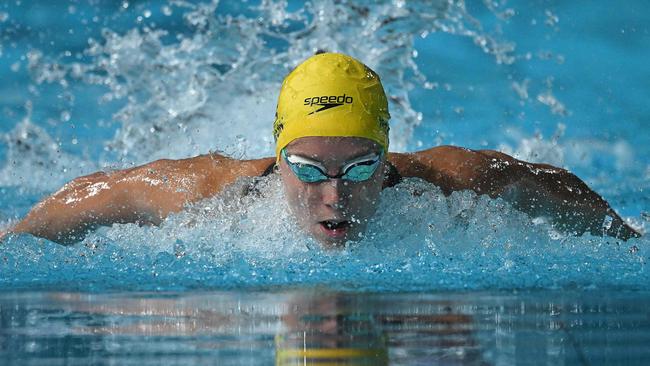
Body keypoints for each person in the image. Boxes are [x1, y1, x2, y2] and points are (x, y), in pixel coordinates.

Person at [0, 53, 641, 246]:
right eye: (307, 169)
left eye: (361, 167)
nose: (335, 195)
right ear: (277, 158)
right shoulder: (211, 193)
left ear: (386, 159)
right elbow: (100, 192)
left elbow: (546, 183)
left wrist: (628, 240)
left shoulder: (446, 183)